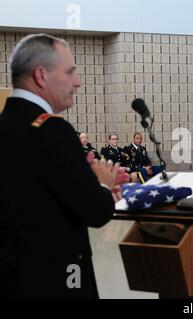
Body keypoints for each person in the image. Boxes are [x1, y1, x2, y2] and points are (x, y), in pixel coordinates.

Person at [0, 34, 121, 298]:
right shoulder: (53, 131)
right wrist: (102, 183)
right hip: (57, 281)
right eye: (70, 72)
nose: (77, 82)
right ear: (41, 75)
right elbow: (96, 212)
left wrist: (81, 175)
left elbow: (35, 189)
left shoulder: (6, 126)